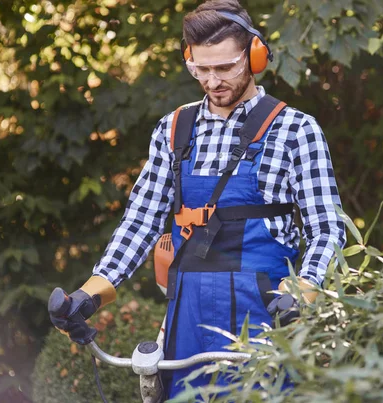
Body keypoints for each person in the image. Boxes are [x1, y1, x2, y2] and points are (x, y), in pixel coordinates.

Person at [49, 0, 345, 398]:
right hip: (185, 320)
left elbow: (328, 229)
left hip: (265, 318)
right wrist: (90, 292)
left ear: (254, 57)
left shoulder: (296, 130)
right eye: (200, 69)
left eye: (225, 68)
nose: (212, 80)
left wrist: (305, 290)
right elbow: (141, 222)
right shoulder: (173, 129)